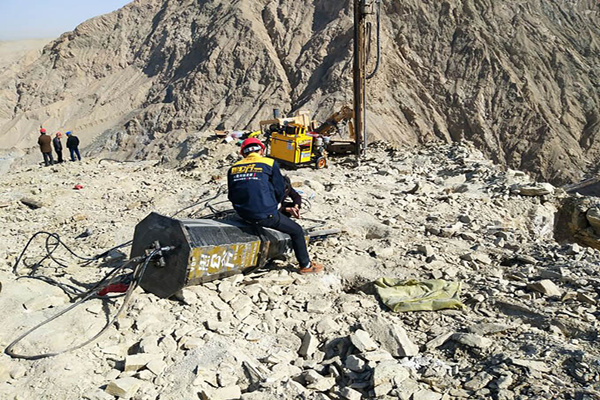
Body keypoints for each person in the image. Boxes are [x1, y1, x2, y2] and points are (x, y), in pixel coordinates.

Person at [227, 137, 323, 274]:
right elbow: (279, 190)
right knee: (296, 231)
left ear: (243, 153)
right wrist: (277, 207)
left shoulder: (233, 168)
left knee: (277, 212)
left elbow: (231, 195)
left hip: (242, 213)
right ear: (261, 150)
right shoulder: (269, 163)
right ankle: (306, 265)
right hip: (264, 214)